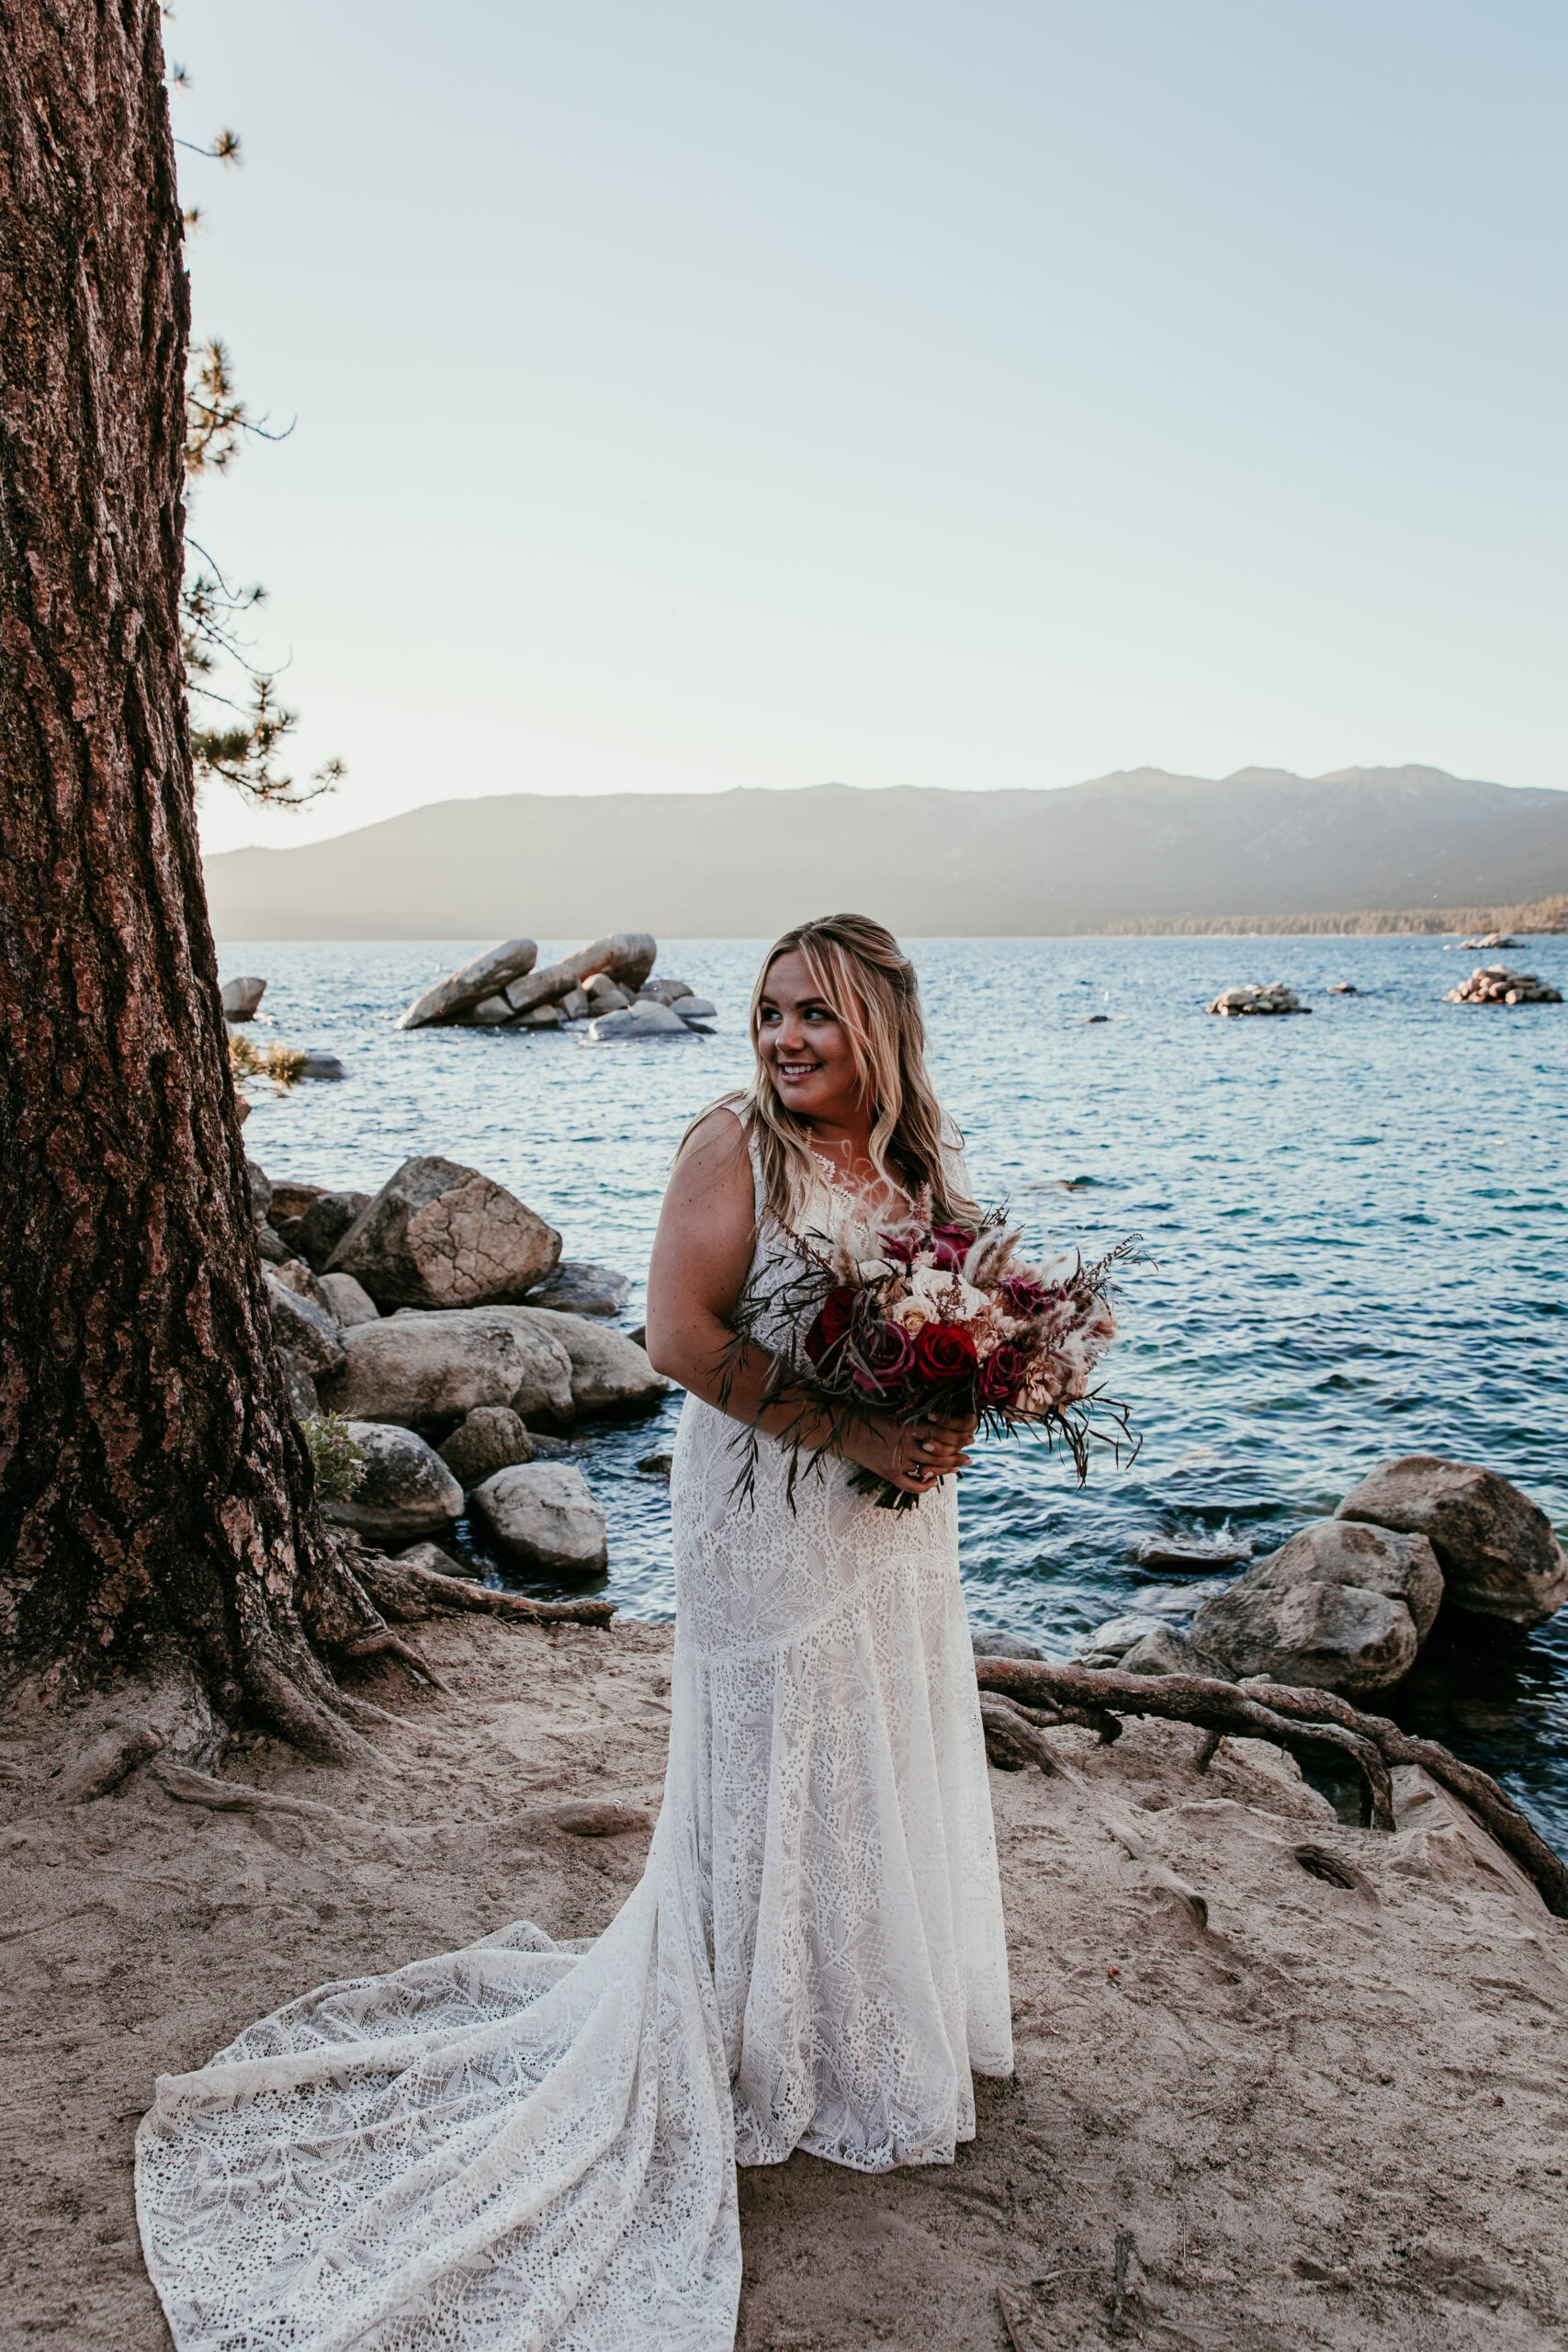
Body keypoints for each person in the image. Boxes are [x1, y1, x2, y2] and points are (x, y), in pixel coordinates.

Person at [136, 913, 1013, 2352]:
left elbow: (949, 1331)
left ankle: (854, 2024)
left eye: (820, 1015)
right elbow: (675, 1338)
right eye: (774, 1008)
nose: (788, 1036)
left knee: (870, 1732)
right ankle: (743, 2031)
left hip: (888, 1520)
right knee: (772, 1735)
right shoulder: (736, 1144)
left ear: (885, 1031)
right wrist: (858, 1421)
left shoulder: (924, 1167)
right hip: (764, 1499)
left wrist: (954, 1412)